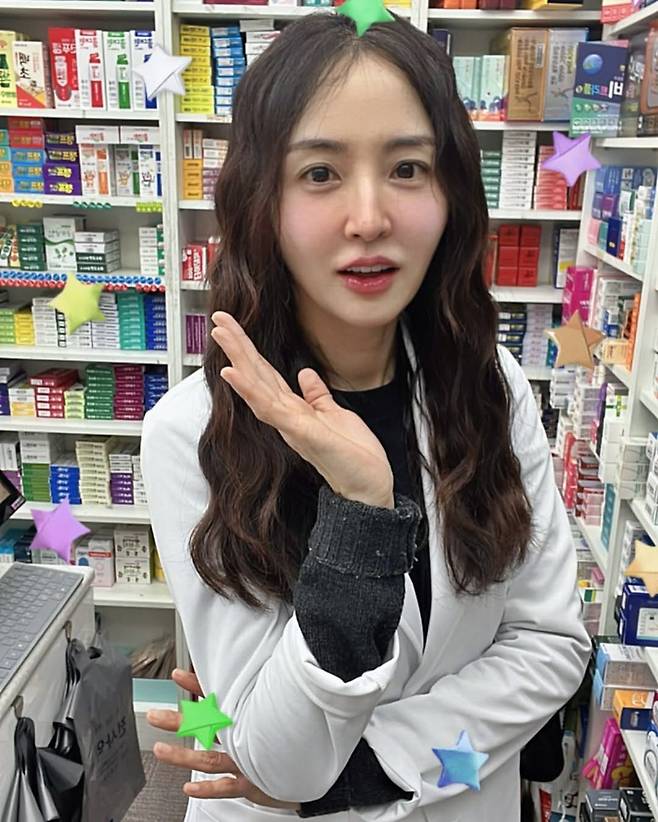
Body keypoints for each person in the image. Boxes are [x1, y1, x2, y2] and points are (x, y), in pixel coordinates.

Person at [140, 4, 591, 820]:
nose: (370, 218)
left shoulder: (489, 386)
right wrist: (359, 515)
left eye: (408, 168)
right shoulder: (192, 431)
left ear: (451, 193)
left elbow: (552, 643)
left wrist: (369, 766)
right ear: (262, 200)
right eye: (320, 173)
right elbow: (282, 761)